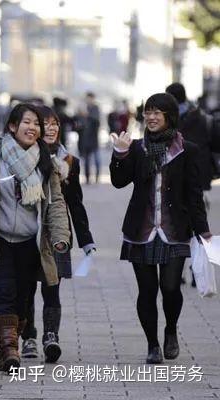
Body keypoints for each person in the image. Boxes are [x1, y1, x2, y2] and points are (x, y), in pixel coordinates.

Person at [0, 103, 70, 372]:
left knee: (23, 298)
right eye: (27, 122)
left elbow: (55, 202)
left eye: (37, 124)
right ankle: (9, 350)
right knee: (3, 292)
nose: (32, 128)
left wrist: (60, 236)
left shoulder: (46, 162)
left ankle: (12, 340)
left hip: (30, 243)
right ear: (13, 126)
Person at [109, 93, 212, 364]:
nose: (151, 117)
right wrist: (119, 153)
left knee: (170, 287)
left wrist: (203, 231)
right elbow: (119, 181)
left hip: (174, 229)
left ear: (169, 117)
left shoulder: (187, 150)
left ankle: (170, 330)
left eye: (158, 112)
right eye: (148, 112)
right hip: (141, 230)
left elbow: (194, 195)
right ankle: (152, 345)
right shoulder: (136, 148)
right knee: (146, 290)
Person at [20, 106, 96, 363]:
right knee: (26, 287)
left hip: (57, 236)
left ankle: (51, 336)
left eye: (55, 124)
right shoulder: (22, 157)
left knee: (52, 287)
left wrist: (86, 239)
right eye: (46, 124)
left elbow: (76, 203)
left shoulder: (70, 162)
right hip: (28, 232)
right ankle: (28, 336)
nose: (51, 128)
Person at [165, 83, 215, 194]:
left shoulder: (170, 119)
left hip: (184, 170)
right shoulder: (201, 116)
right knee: (196, 205)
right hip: (199, 169)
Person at [77, 92, 101, 184]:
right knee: (86, 160)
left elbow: (97, 121)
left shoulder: (95, 108)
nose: (89, 100)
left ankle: (97, 177)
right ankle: (87, 178)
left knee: (97, 160)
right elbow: (78, 124)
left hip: (94, 139)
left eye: (90, 98)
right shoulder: (82, 109)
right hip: (84, 139)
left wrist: (86, 115)